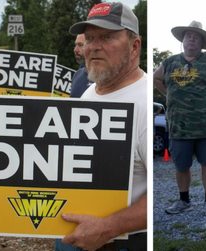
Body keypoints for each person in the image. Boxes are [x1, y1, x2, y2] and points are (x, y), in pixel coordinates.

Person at [58, 2, 147, 250]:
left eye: (107, 37)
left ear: (134, 45)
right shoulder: (88, 95)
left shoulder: (143, 103)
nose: (94, 46)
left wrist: (109, 227)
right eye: (90, 38)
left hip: (122, 241)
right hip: (75, 232)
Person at [155, 20, 206, 216]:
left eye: (196, 37)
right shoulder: (170, 62)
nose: (191, 40)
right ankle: (184, 201)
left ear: (201, 43)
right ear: (182, 41)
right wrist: (167, 93)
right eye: (188, 36)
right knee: (181, 165)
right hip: (178, 125)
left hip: (205, 125)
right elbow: (156, 78)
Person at [70, 34, 92, 98]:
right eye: (75, 45)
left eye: (80, 45)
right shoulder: (77, 75)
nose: (75, 50)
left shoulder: (106, 77)